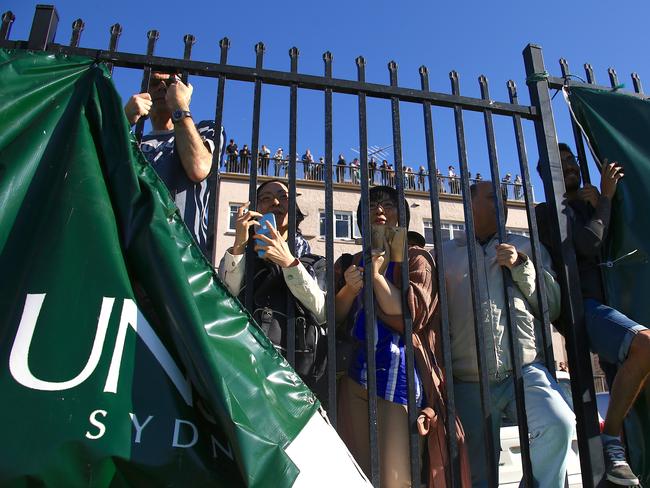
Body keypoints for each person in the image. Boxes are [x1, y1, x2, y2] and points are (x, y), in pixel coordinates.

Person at [335, 186, 470, 487]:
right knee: (353, 473)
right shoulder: (348, 261)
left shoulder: (417, 258)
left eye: (388, 204)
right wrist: (349, 288)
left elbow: (412, 314)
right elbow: (335, 317)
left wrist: (376, 277)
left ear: (403, 216)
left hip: (399, 382)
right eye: (371, 205)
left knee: (396, 479)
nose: (380, 209)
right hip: (354, 377)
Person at [444, 180, 574, 487]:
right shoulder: (445, 253)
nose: (500, 203)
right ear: (469, 203)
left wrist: (522, 266)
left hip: (524, 371)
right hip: (469, 381)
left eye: (503, 198)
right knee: (476, 474)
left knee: (559, 423)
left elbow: (553, 305)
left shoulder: (528, 247)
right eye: (491, 197)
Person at [536, 144, 649, 486]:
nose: (569, 166)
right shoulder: (547, 211)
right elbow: (587, 244)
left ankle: (623, 466)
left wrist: (598, 204)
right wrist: (605, 200)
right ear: (546, 174)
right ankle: (610, 441)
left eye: (572, 161)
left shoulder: (587, 205)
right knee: (645, 345)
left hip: (615, 307)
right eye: (561, 163)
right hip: (582, 309)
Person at [218, 179, 327, 400]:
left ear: (294, 209)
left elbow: (323, 312)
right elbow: (223, 301)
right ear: (256, 210)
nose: (275, 202)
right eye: (265, 199)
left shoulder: (313, 261)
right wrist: (239, 244)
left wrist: (288, 262)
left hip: (296, 373)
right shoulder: (238, 255)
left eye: (283, 196)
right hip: (242, 365)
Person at [124, 71, 218, 258]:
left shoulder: (206, 130)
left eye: (170, 83)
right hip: (132, 252)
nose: (162, 87)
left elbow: (198, 168)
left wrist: (179, 105)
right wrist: (123, 120)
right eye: (155, 83)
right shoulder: (131, 138)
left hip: (183, 256)